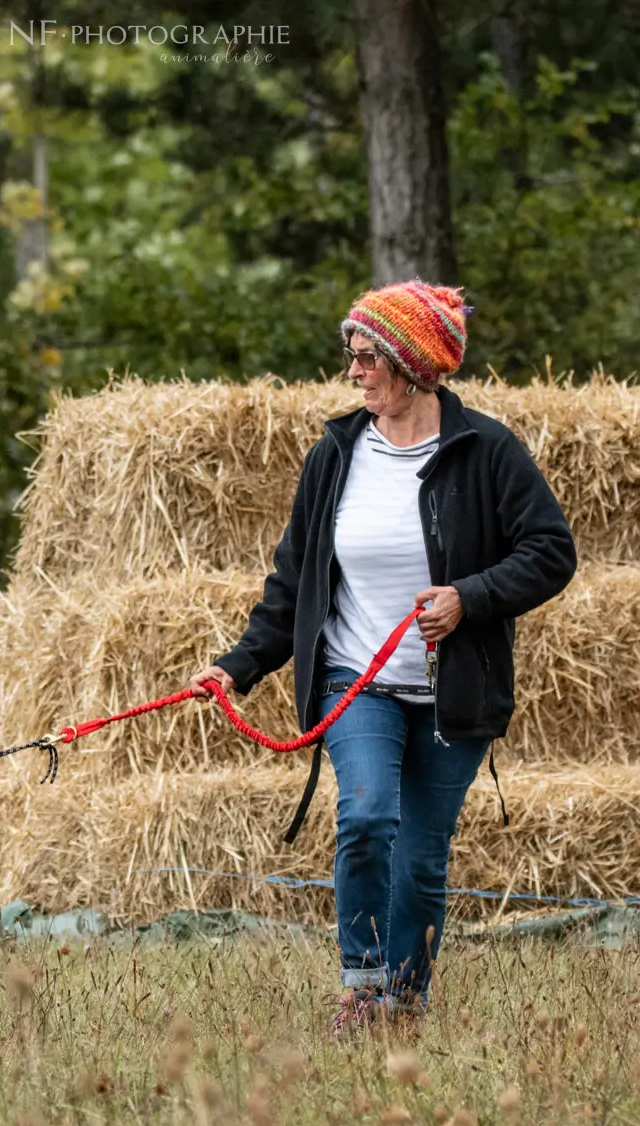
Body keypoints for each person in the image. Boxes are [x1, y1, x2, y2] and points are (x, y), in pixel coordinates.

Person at [189, 279, 577, 1033]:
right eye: (352, 355)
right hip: (354, 680)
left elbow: (551, 552)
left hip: (454, 690)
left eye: (369, 357)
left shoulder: (486, 451)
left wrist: (471, 595)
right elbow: (293, 581)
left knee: (423, 858)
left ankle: (404, 1003)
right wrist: (236, 665)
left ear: (414, 364)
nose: (355, 371)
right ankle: (361, 989)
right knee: (367, 814)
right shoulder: (335, 455)